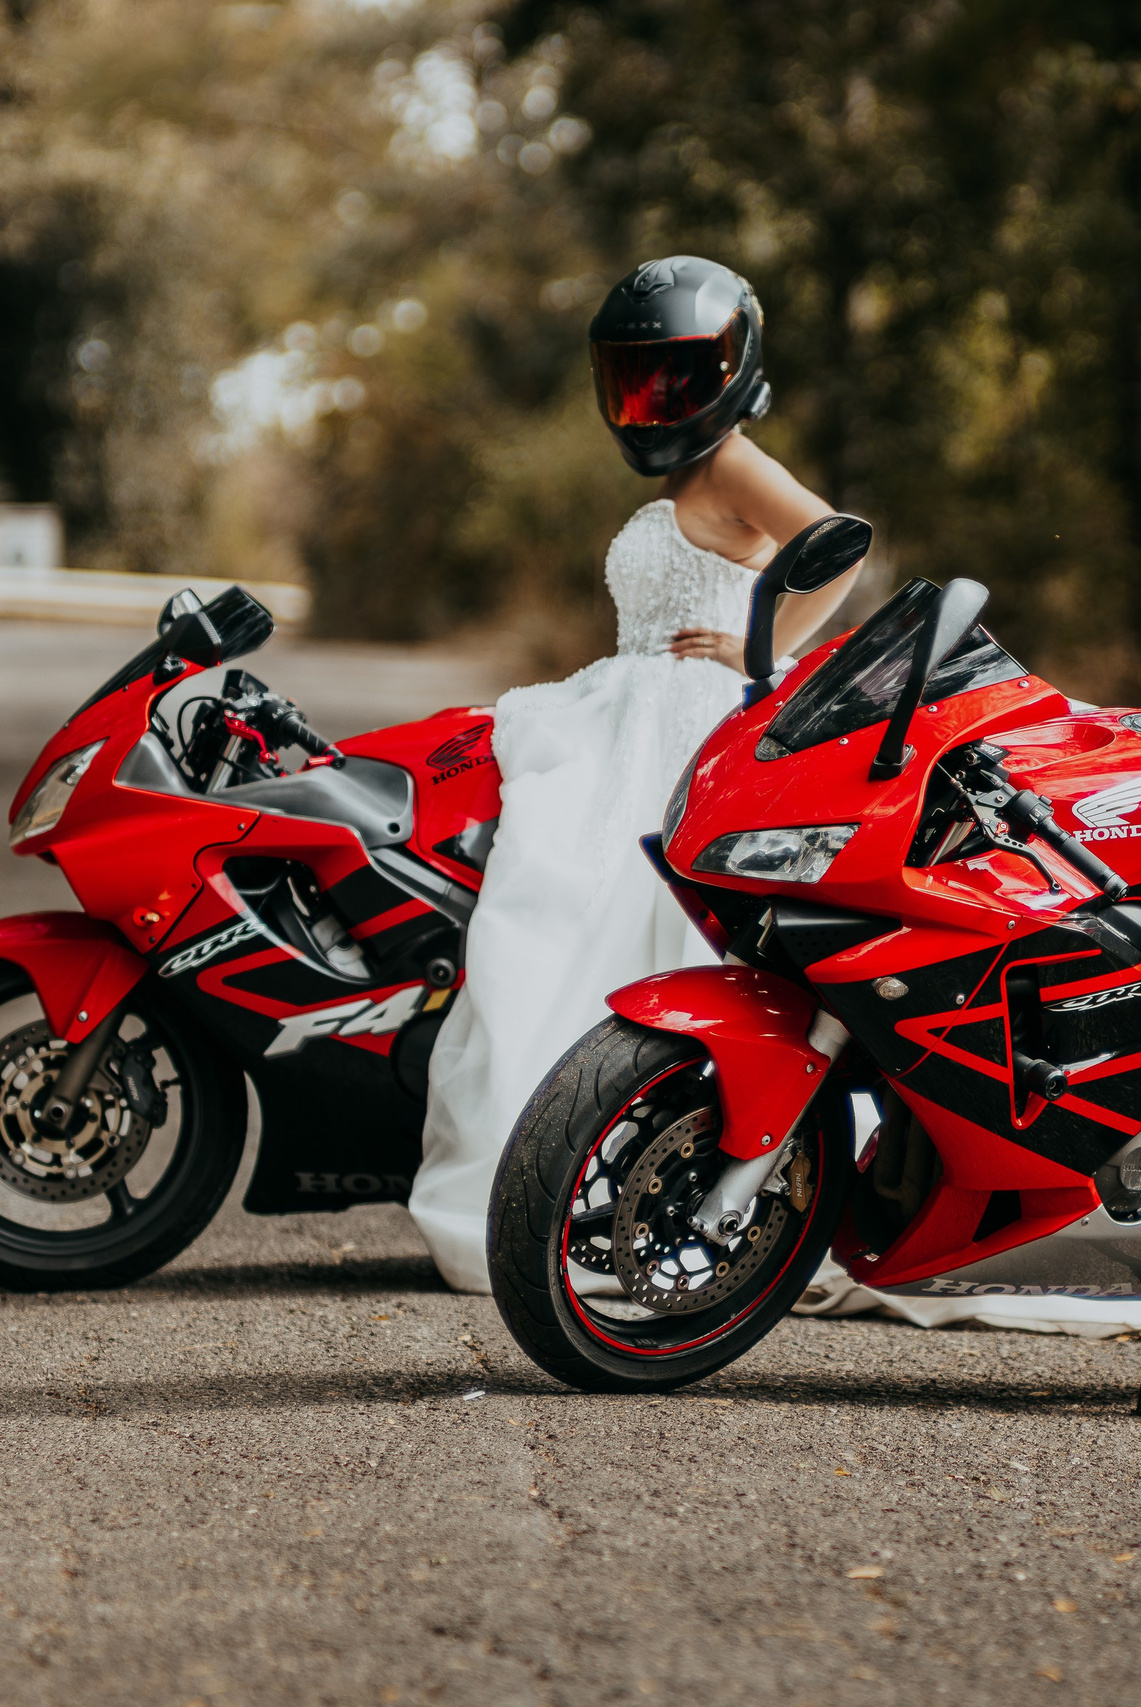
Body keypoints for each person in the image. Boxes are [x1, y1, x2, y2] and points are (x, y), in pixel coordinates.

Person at [406, 255, 858, 1293]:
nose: (653, 399)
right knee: (558, 903)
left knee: (619, 913)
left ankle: (640, 1152)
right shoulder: (682, 476)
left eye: (675, 375)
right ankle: (576, 1159)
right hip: (629, 708)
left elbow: (834, 546)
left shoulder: (735, 461)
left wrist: (760, 650)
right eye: (637, 377)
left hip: (683, 723)